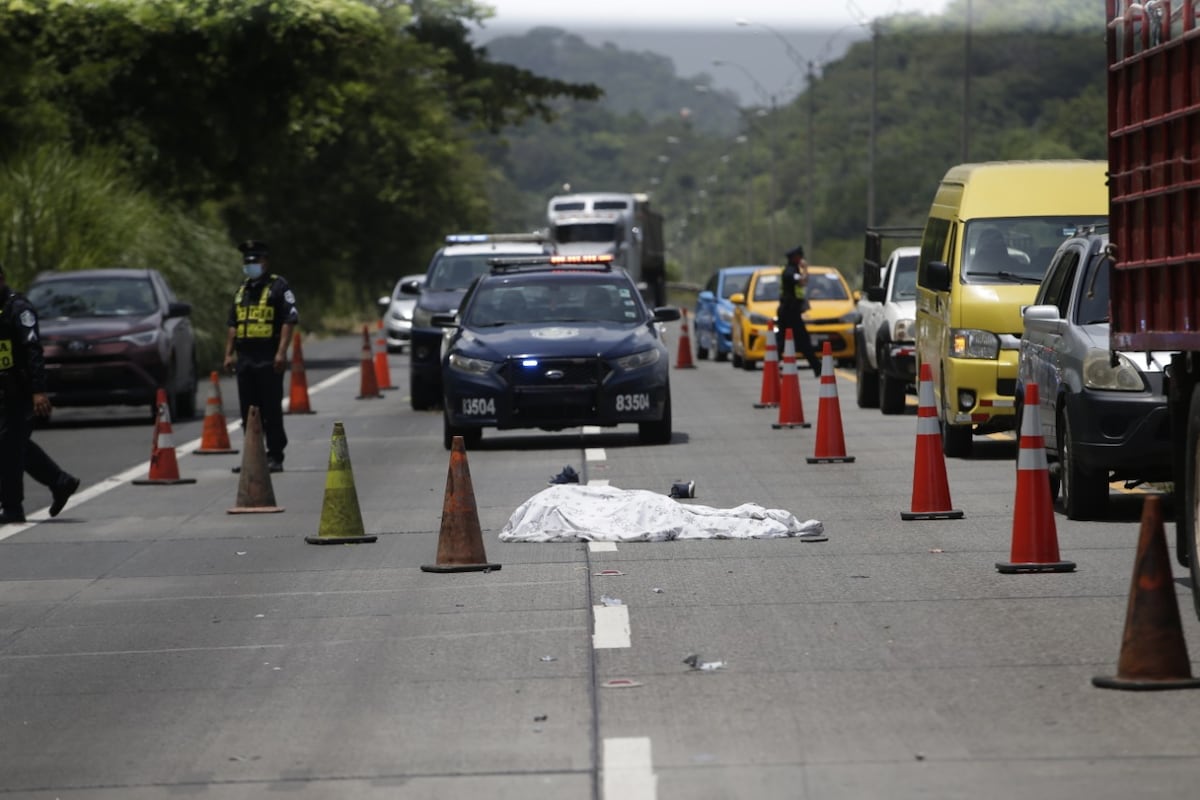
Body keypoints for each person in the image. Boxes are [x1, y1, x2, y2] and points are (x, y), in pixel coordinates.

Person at [0, 262, 80, 524]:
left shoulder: (18, 309)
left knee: (9, 449)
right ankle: (60, 481)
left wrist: (38, 391)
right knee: (14, 444)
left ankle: (12, 508)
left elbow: (33, 350)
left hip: (18, 392)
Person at [223, 241, 299, 473]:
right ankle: (253, 457)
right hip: (245, 359)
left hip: (268, 358)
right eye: (247, 261)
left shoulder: (278, 286)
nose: (250, 265)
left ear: (265, 261)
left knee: (271, 410)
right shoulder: (242, 290)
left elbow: (289, 319)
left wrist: (281, 352)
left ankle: (275, 456)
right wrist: (228, 354)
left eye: (255, 260)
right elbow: (233, 325)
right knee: (249, 412)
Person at [775, 244, 822, 377]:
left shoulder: (793, 269)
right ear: (795, 258)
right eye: (799, 257)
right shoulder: (790, 271)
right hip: (789, 311)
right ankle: (817, 367)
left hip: (790, 310)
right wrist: (806, 269)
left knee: (784, 340)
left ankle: (817, 367)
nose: (801, 259)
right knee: (801, 340)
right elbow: (802, 281)